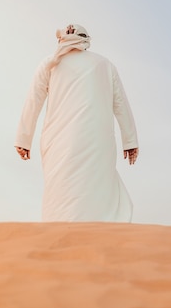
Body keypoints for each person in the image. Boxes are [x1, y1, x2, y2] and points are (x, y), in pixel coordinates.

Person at [14, 23, 139, 222]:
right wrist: (130, 141)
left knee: (61, 188)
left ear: (60, 39)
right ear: (86, 41)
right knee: (97, 188)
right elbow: (121, 104)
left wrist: (23, 138)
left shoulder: (49, 63)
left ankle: (61, 237)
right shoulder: (104, 64)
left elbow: (33, 100)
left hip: (59, 141)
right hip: (98, 141)